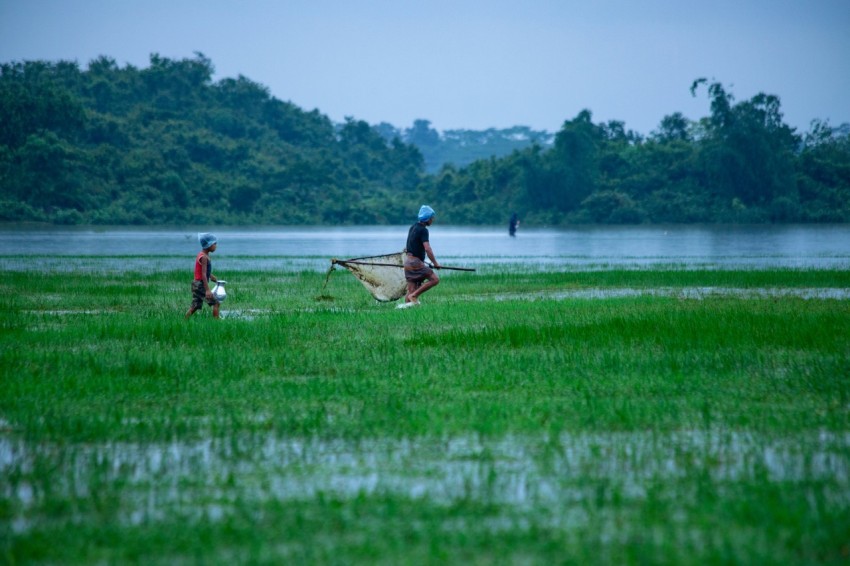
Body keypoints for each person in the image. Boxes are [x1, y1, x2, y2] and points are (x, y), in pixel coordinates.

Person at [399, 205, 441, 307]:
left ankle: (406, 311)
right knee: (434, 279)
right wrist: (435, 263)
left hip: (408, 262)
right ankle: (414, 296)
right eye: (432, 218)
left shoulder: (412, 227)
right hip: (415, 262)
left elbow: (409, 245)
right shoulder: (423, 230)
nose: (433, 220)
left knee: (411, 290)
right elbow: (427, 248)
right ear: (427, 218)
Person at [185, 232, 221, 319]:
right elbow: (203, 274)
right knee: (216, 303)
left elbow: (204, 272)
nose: (216, 246)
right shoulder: (204, 257)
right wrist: (208, 290)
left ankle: (184, 321)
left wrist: (212, 277)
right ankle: (216, 322)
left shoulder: (204, 255)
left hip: (197, 284)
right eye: (214, 243)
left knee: (195, 305)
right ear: (209, 244)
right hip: (200, 284)